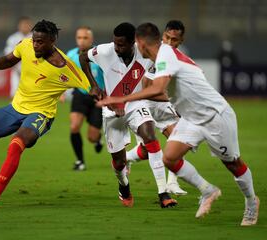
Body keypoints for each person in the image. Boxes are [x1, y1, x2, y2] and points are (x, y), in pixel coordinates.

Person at [97, 22, 259, 226]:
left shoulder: (166, 55)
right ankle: (208, 190)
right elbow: (153, 88)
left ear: (140, 43)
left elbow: (157, 89)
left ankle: (251, 202)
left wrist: (119, 98)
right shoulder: (159, 58)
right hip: (192, 118)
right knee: (170, 158)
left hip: (215, 116)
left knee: (232, 163)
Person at [0, 20, 97, 209]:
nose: (35, 45)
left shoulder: (65, 66)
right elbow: (8, 61)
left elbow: (91, 87)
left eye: (40, 42)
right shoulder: (26, 45)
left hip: (41, 114)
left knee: (16, 145)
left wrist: (98, 93)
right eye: (34, 40)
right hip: (15, 108)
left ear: (53, 40)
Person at [80, 22, 177, 208]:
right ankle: (123, 185)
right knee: (119, 162)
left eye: (122, 45)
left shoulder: (145, 52)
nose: (117, 48)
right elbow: (83, 57)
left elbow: (167, 54)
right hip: (111, 111)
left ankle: (163, 193)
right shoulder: (105, 51)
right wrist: (93, 84)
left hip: (135, 103)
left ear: (134, 42)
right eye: (115, 43)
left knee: (150, 137)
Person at [126, 20, 187, 195]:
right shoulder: (155, 53)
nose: (170, 42)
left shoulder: (175, 57)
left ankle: (172, 183)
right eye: (167, 37)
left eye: (175, 40)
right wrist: (172, 102)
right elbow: (147, 87)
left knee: (179, 140)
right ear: (162, 36)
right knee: (146, 152)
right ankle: (126, 159)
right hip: (144, 103)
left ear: (181, 41)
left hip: (162, 104)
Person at [66, 26, 105, 171]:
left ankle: (97, 139)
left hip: (98, 99)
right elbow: (62, 75)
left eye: (85, 38)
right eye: (79, 38)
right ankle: (80, 161)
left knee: (92, 137)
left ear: (91, 39)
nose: (81, 41)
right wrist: (62, 92)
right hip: (80, 95)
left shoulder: (100, 55)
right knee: (74, 126)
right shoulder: (70, 55)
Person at [4, 16, 33, 97]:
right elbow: (8, 54)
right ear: (19, 25)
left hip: (32, 73)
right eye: (23, 24)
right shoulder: (13, 38)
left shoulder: (36, 37)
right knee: (15, 95)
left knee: (31, 96)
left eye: (27, 24)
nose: (25, 26)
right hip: (17, 72)